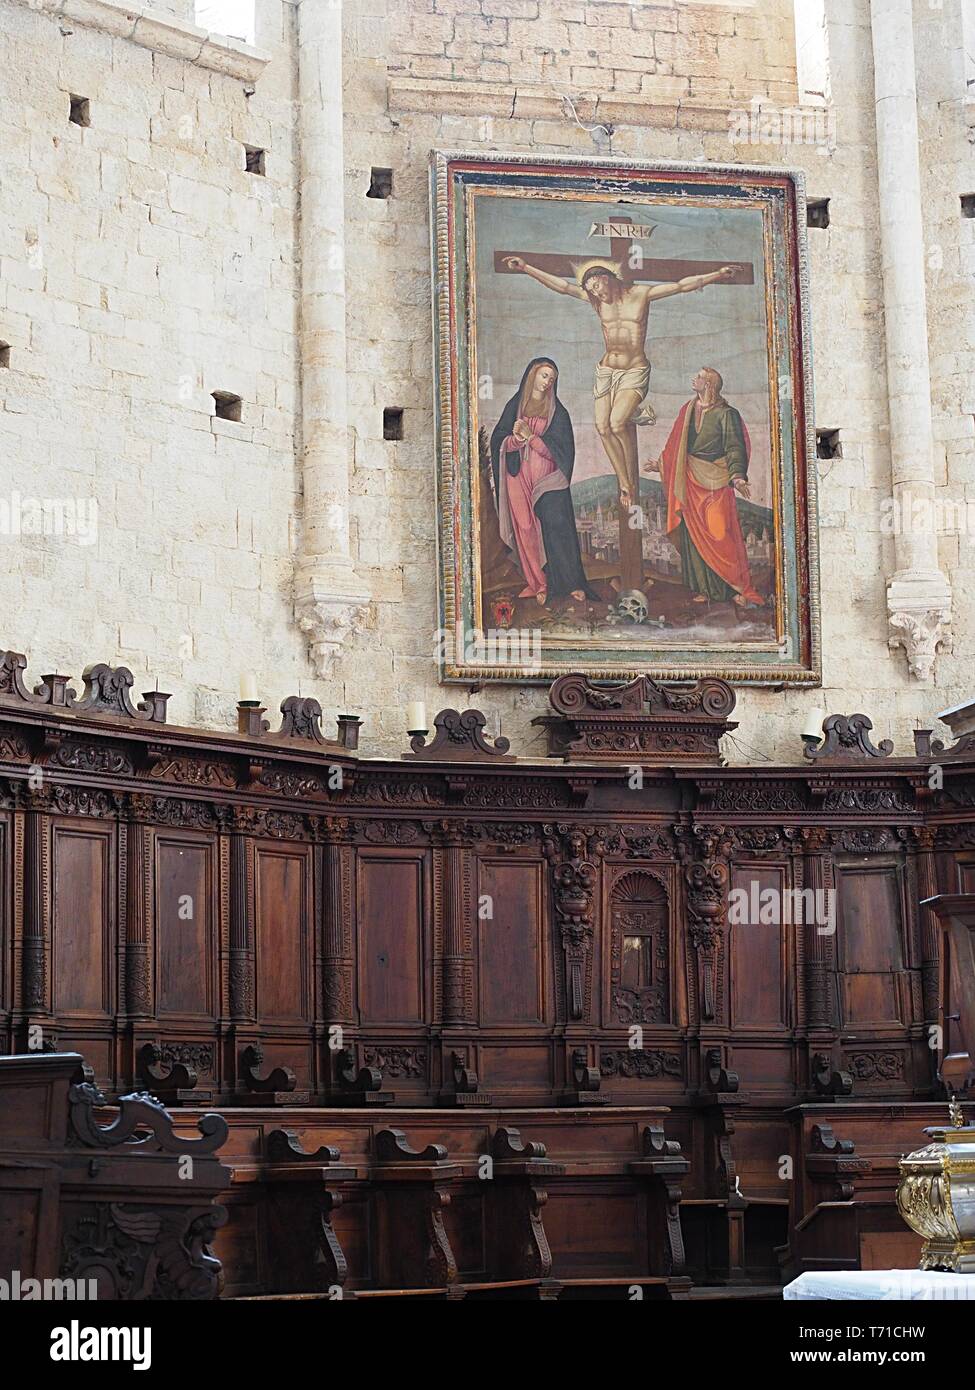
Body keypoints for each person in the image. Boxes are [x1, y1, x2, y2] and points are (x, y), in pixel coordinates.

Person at [502, 255, 735, 514]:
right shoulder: (597, 303)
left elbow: (681, 285)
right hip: (606, 371)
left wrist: (718, 274)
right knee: (602, 426)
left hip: (633, 370)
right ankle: (624, 479)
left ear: (608, 278)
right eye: (590, 290)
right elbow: (563, 287)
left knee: (616, 422)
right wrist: (526, 268)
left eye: (597, 286)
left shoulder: (641, 294)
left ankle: (629, 476)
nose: (595, 293)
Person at [644, 367, 763, 607]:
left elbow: (734, 447)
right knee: (693, 535)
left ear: (709, 385)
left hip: (716, 482)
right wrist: (660, 465)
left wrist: (738, 476)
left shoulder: (727, 414)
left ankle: (733, 588)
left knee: (720, 534)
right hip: (689, 480)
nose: (693, 379)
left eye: (698, 377)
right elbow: (676, 446)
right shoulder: (687, 410)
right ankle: (705, 589)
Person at [489, 358, 598, 607]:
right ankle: (538, 583)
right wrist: (515, 441)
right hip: (516, 476)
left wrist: (532, 438)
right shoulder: (514, 406)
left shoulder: (558, 413)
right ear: (532, 375)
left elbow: (561, 453)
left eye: (552, 378)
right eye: (544, 375)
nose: (548, 381)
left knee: (558, 530)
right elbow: (499, 440)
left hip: (548, 482)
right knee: (525, 528)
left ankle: (571, 583)